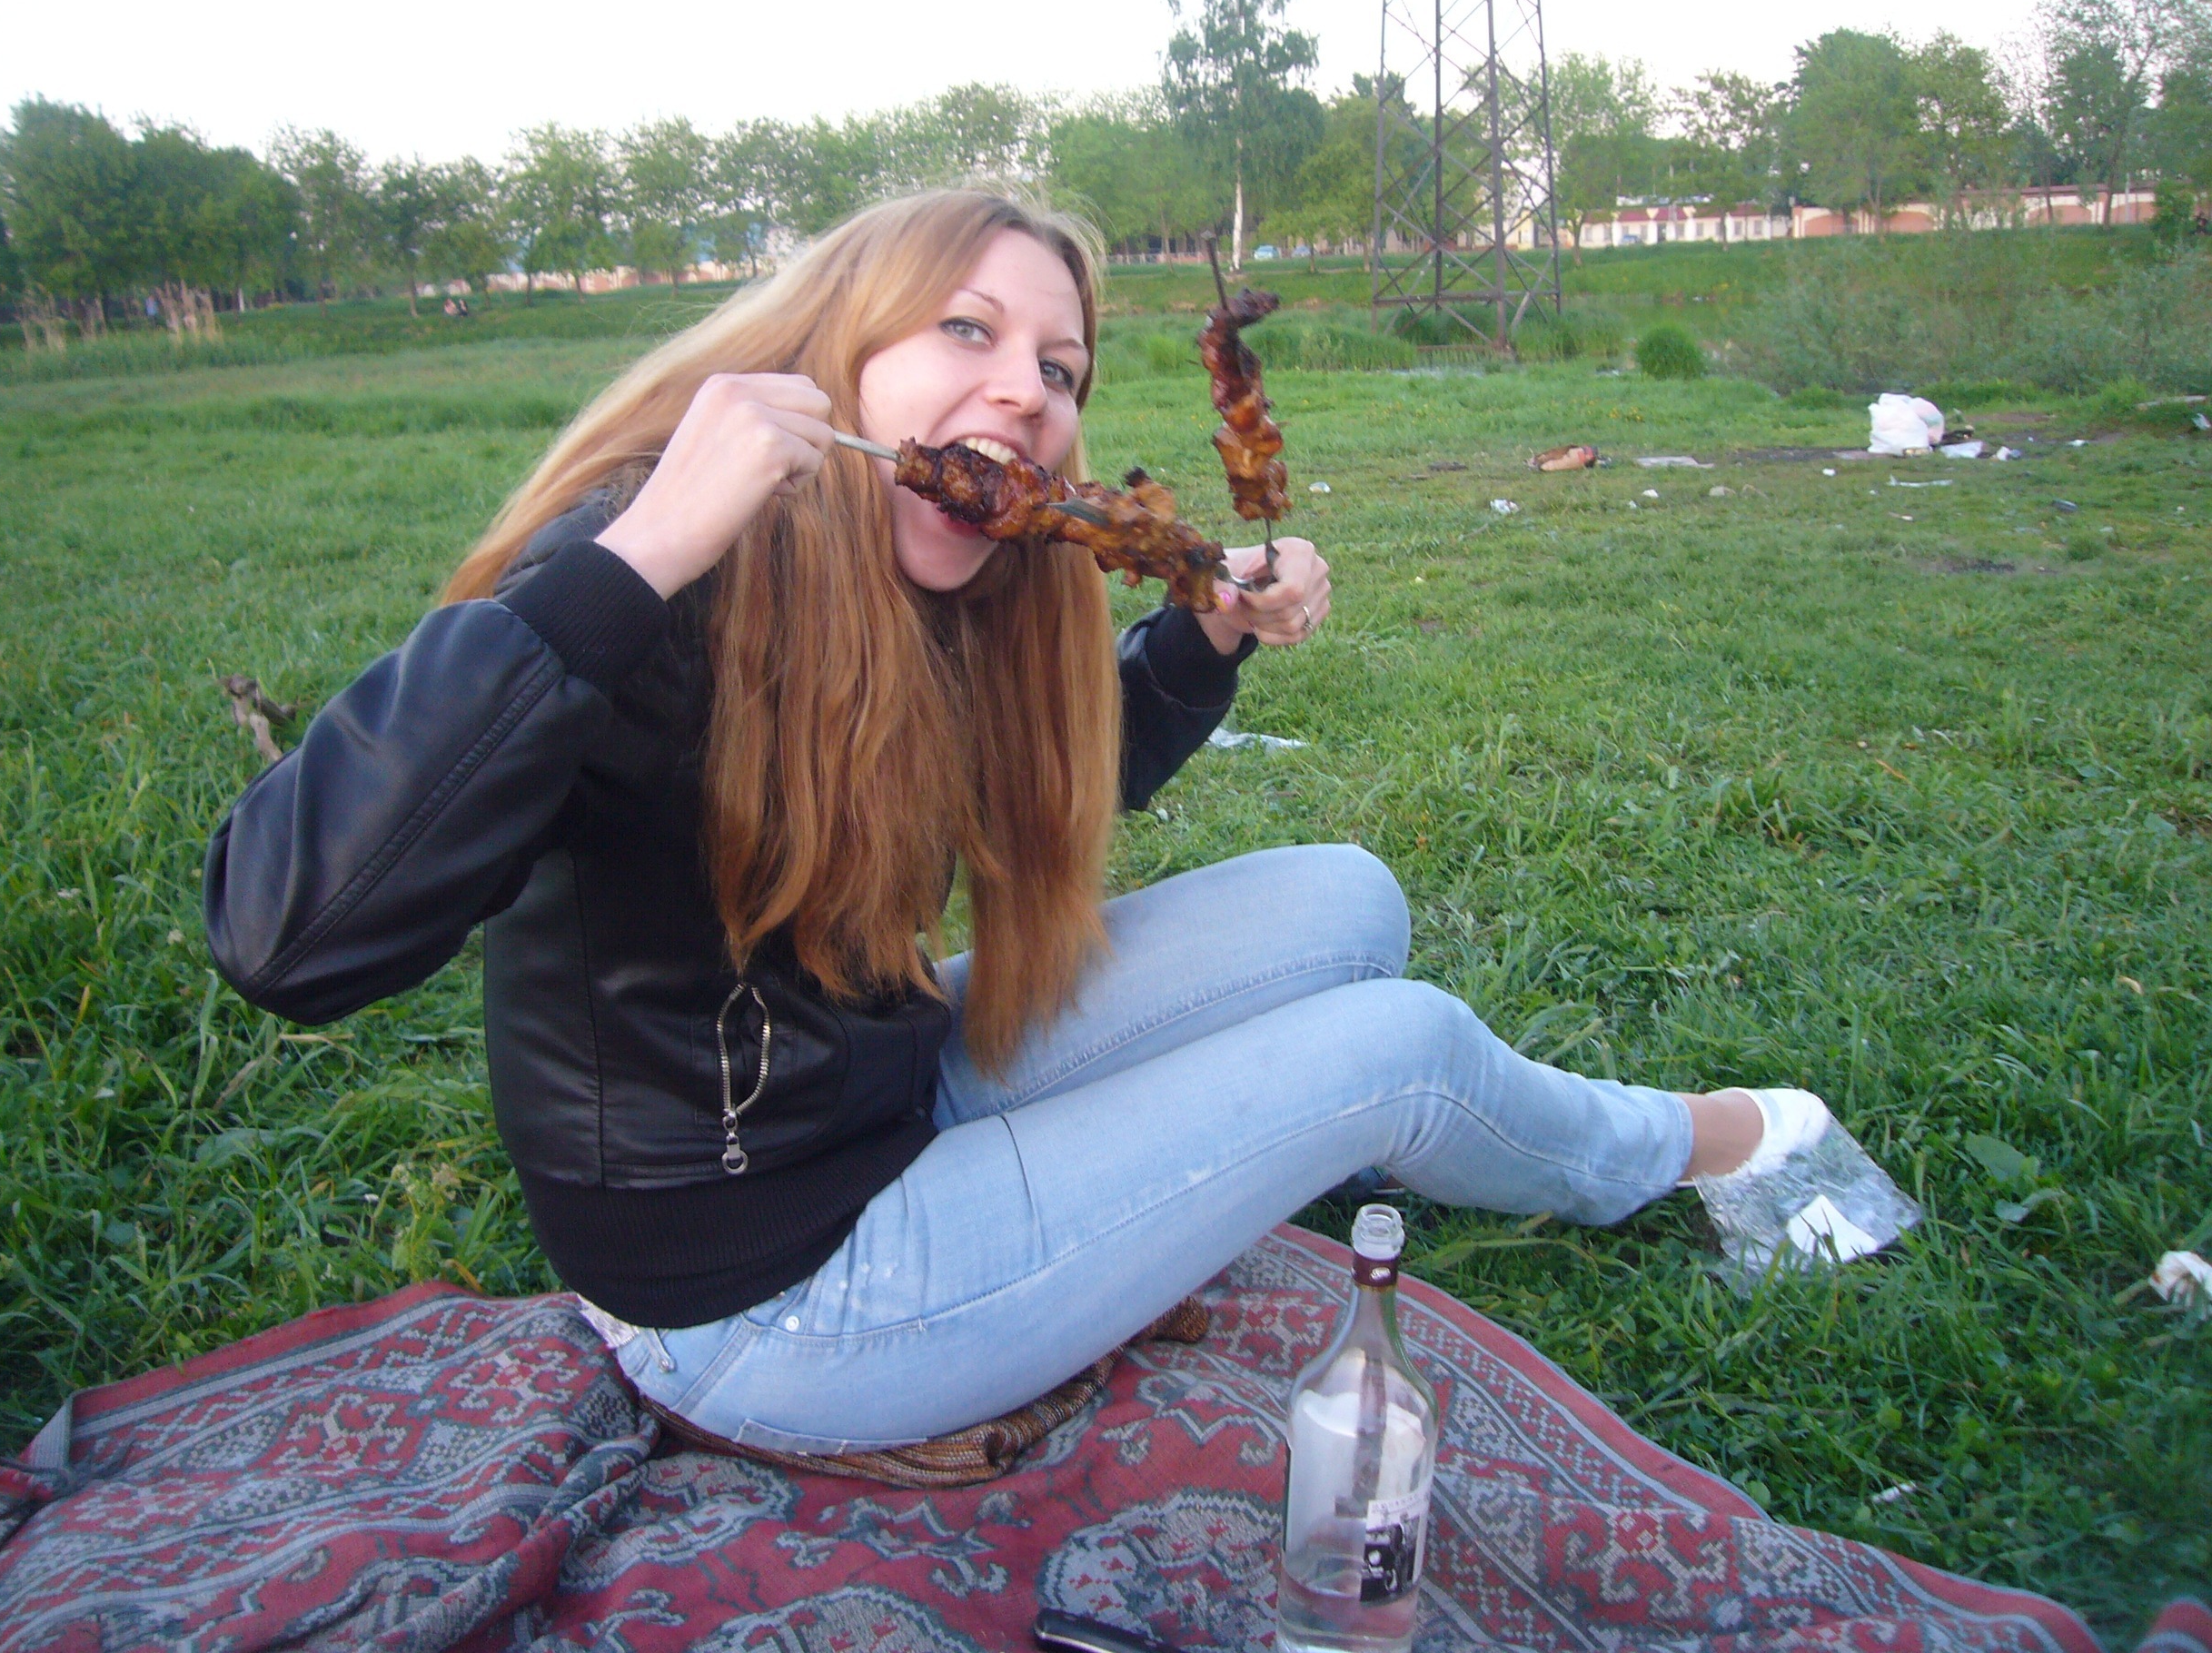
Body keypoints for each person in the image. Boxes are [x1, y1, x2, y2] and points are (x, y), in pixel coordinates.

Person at [204, 187, 1830, 1457]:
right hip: (765, 1291)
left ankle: (1302, 1139)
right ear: (835, 351)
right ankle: (1699, 1153)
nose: (1029, 395)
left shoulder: (914, 578)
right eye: (968, 332)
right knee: (1398, 1046)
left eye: (1059, 370)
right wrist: (635, 559)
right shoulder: (643, 576)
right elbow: (287, 934)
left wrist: (1203, 635)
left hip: (891, 1086)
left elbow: (1040, 791)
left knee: (1351, 902)